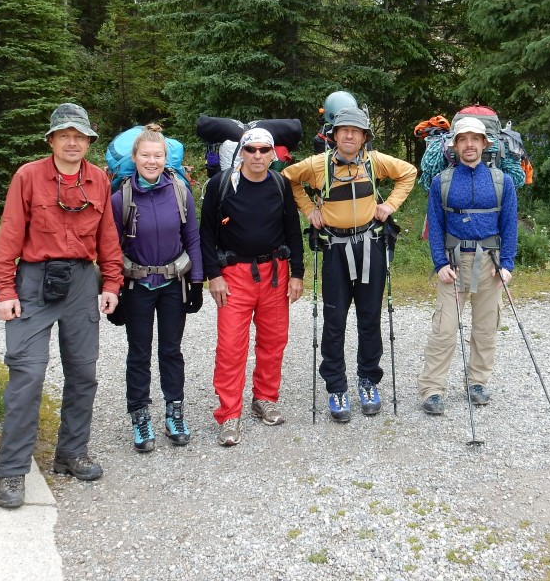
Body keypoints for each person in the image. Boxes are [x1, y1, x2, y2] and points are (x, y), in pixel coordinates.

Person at [0, 103, 122, 509]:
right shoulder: (28, 176)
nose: (71, 142)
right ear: (51, 140)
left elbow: (107, 235)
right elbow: (11, 231)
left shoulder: (99, 179)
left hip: (83, 282)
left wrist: (112, 282)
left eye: (79, 136)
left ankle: (71, 453)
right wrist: (5, 290)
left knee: (84, 372)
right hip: (33, 281)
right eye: (64, 135)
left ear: (88, 142)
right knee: (27, 374)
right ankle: (12, 471)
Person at [283, 107, 417, 422]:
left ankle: (368, 380)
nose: (348, 135)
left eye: (355, 131)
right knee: (334, 320)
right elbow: (288, 178)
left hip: (370, 245)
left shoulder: (374, 162)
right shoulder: (318, 165)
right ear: (333, 135)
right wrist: (308, 210)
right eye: (343, 130)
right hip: (334, 249)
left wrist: (389, 206)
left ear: (364, 137)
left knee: (370, 318)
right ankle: (336, 386)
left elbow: (408, 173)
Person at [200, 129, 305, 447]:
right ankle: (229, 414)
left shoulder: (279, 184)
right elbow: (205, 233)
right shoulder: (221, 185)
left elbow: (292, 229)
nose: (258, 155)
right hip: (234, 276)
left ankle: (264, 398)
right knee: (231, 348)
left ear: (274, 153)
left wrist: (297, 273)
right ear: (241, 153)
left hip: (275, 273)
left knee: (274, 342)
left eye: (264, 150)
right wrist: (213, 275)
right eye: (252, 149)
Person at [110, 124, 203, 453]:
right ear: (134, 158)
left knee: (171, 351)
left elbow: (192, 236)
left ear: (167, 158)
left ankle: (174, 412)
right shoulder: (121, 198)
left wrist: (196, 282)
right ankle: (139, 416)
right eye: (146, 155)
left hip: (172, 285)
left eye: (158, 155)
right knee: (138, 354)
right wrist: (114, 288)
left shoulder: (179, 191)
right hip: (136, 286)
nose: (152, 161)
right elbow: (110, 246)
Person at [417, 116, 518, 415]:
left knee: (486, 328)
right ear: (455, 145)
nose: (470, 144)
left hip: (490, 263)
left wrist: (507, 264)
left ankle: (477, 382)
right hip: (454, 263)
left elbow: (509, 225)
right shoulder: (442, 182)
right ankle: (432, 389)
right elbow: (435, 225)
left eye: (475, 139)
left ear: (485, 144)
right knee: (444, 329)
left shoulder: (503, 182)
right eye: (463, 139)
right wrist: (439, 264)